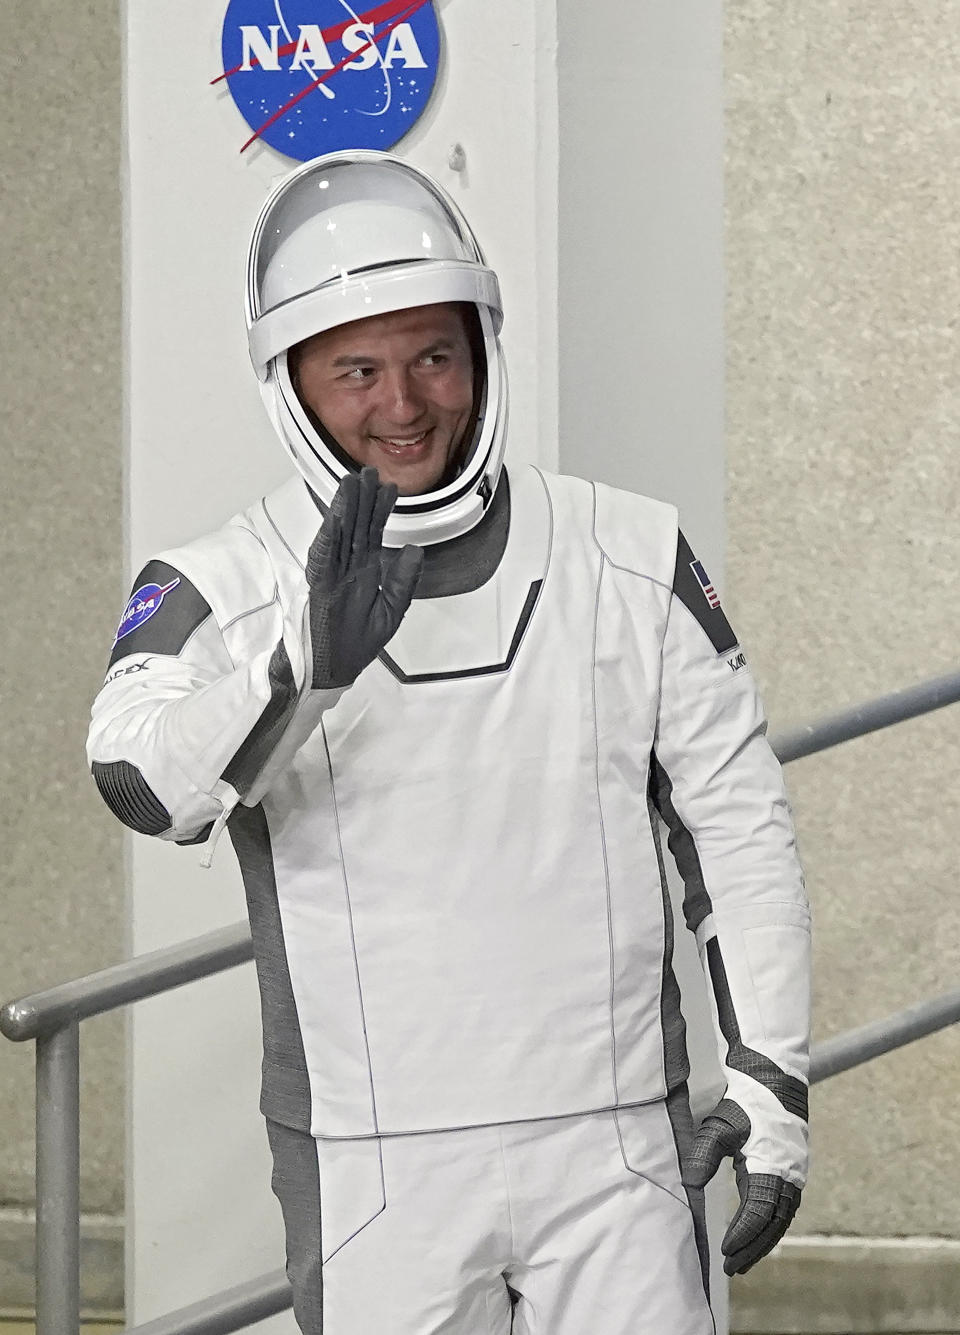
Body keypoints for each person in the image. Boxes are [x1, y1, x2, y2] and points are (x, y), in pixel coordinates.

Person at [87, 150, 811, 1334]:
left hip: (617, 1140)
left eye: (433, 355)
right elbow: (137, 778)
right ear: (293, 381)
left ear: (481, 346)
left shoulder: (629, 553)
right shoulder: (219, 581)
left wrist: (771, 1079)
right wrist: (299, 669)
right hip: (372, 1160)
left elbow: (738, 828)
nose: (404, 404)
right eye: (356, 369)